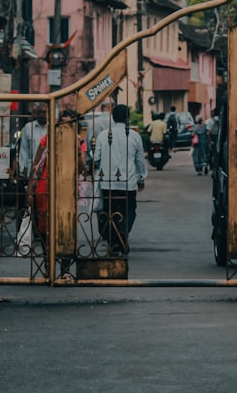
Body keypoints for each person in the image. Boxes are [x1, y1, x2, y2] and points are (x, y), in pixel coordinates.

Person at [27, 109, 87, 276]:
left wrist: (76, 149)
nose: (65, 127)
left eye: (69, 123)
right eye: (63, 123)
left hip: (67, 190)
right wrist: (30, 192)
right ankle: (48, 265)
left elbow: (81, 169)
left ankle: (65, 269)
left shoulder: (80, 142)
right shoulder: (48, 139)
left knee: (65, 229)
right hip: (44, 189)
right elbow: (36, 165)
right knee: (45, 229)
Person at [93, 104, 147, 255]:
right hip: (128, 183)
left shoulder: (103, 135)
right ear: (128, 118)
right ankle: (122, 235)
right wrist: (141, 178)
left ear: (113, 117)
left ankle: (115, 242)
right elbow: (140, 162)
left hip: (107, 183)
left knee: (109, 212)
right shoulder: (135, 136)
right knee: (129, 211)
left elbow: (96, 158)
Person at [14, 102, 48, 179]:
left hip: (48, 169)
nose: (43, 115)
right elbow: (24, 149)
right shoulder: (29, 127)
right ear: (37, 114)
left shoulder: (52, 128)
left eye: (45, 112)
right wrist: (22, 170)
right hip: (32, 170)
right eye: (40, 112)